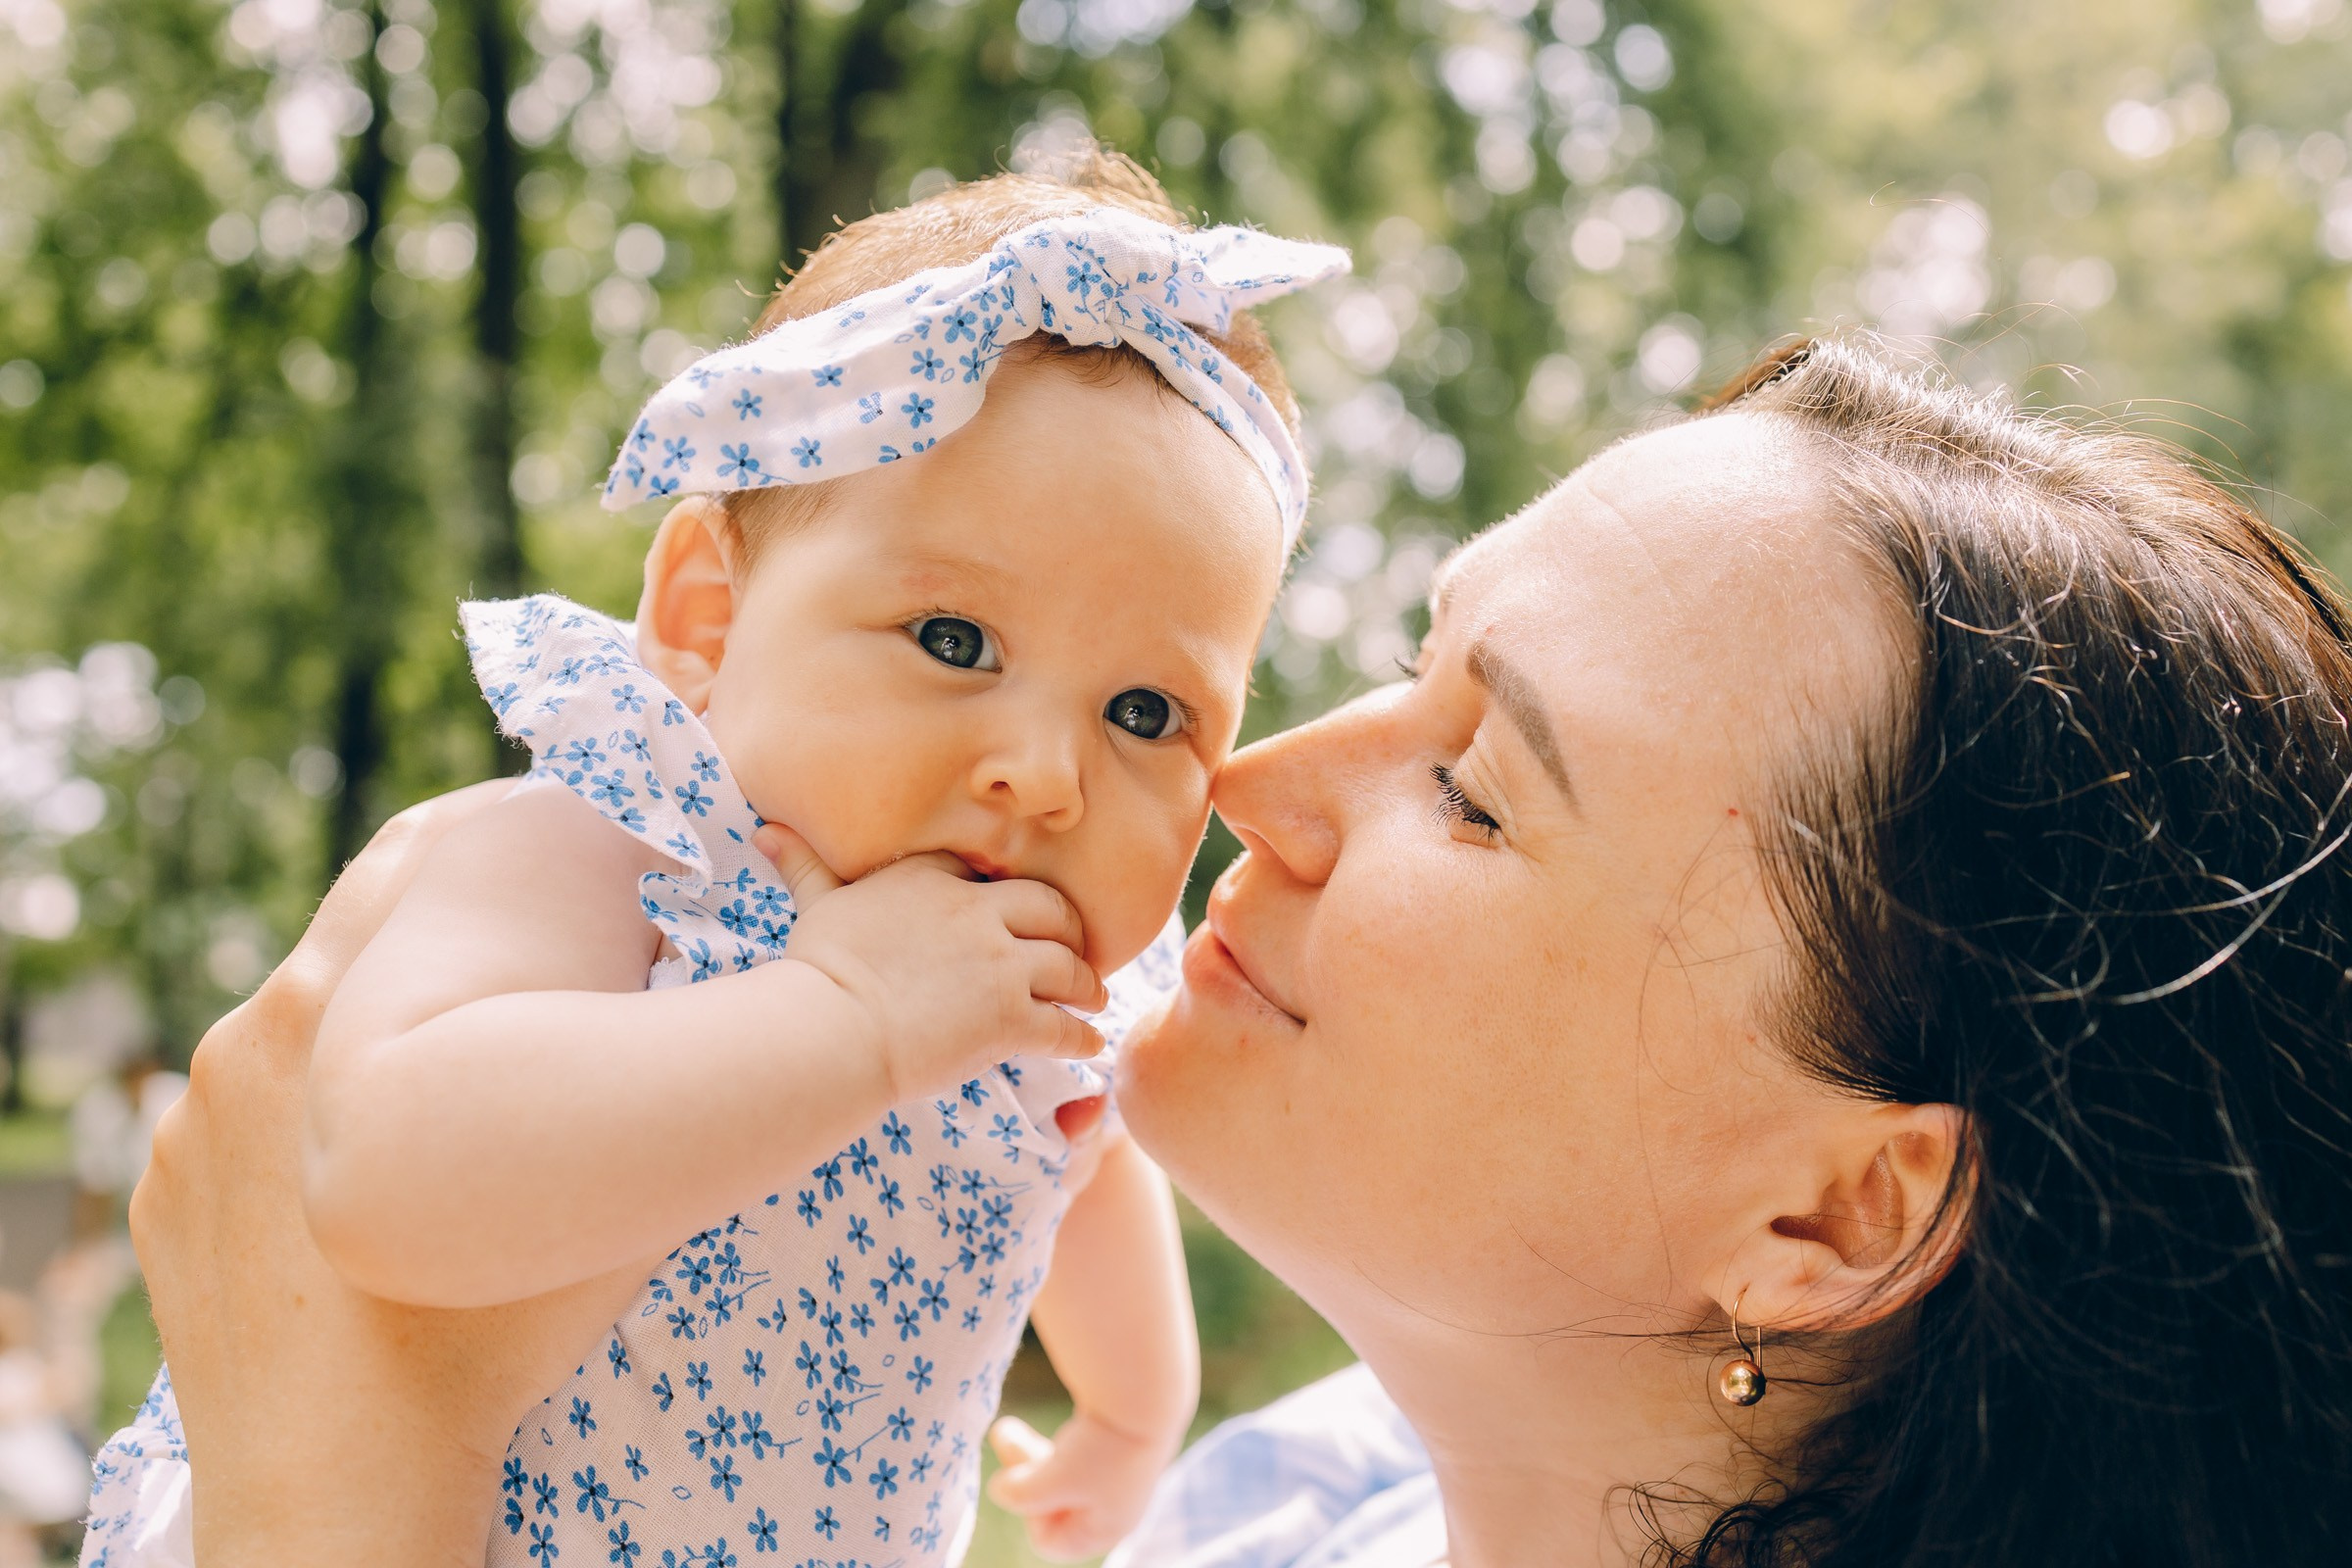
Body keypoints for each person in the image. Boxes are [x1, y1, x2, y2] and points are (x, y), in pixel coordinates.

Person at [123, 337, 2352, 1567]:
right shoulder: (1283, 1512)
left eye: (1480, 786)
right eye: (1398, 662)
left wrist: (342, 1496)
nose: (1249, 777)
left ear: (1836, 1206)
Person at [82, 152, 1348, 1568]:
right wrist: (850, 1022)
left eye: (1144, 714)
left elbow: (1078, 1158)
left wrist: (1128, 1413)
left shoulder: (1039, 996)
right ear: (703, 619)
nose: (1046, 777)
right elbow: (378, 1176)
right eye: (952, 642)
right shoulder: (611, 857)